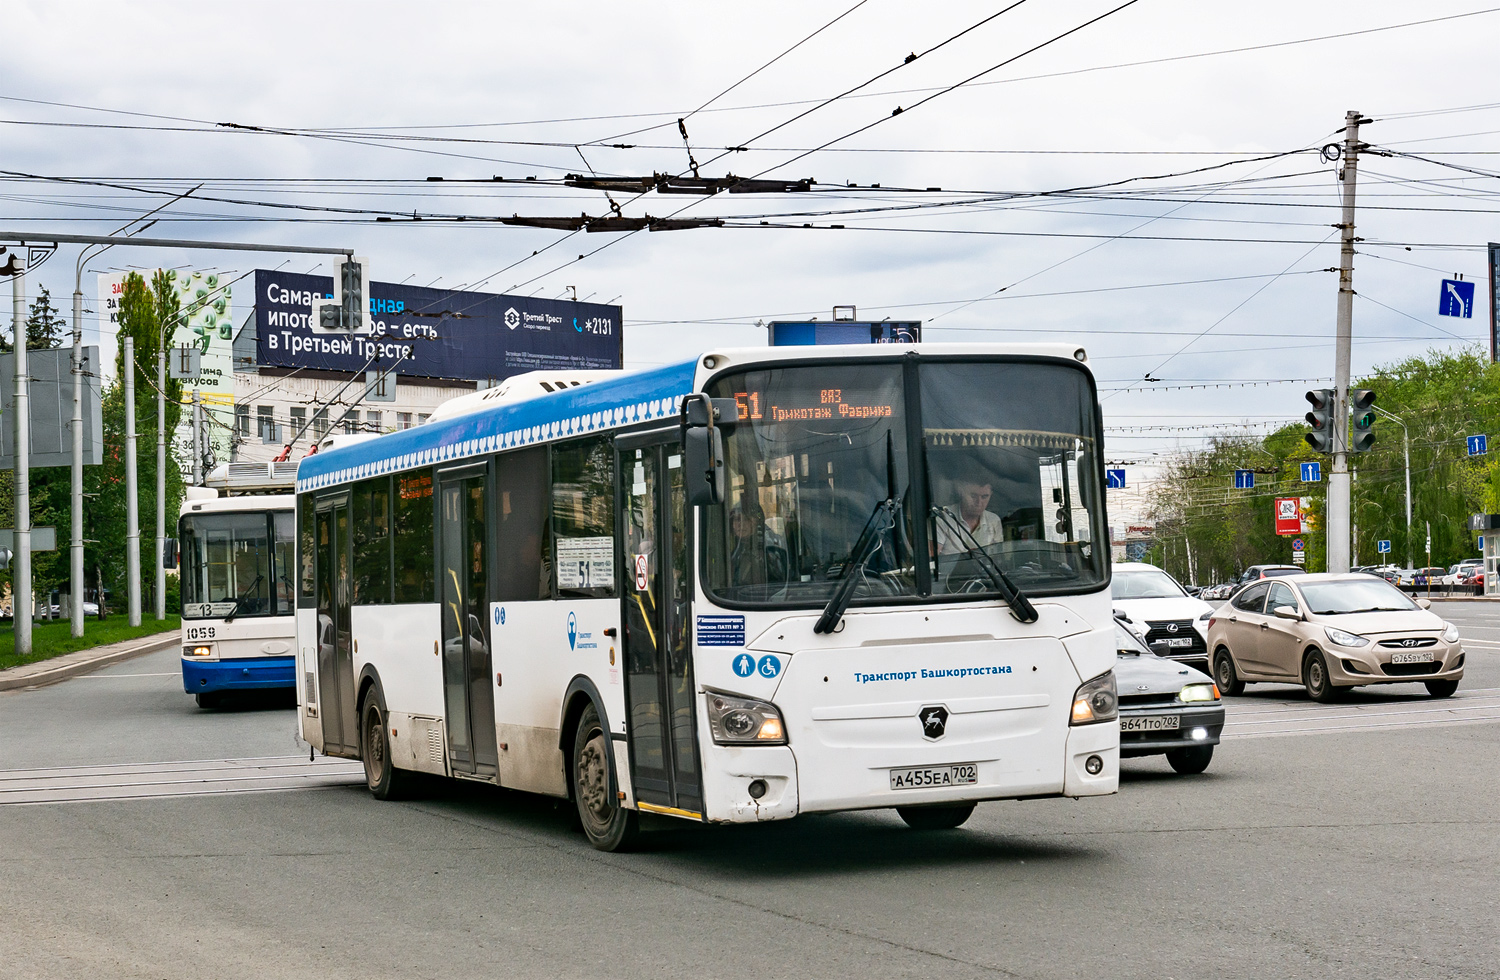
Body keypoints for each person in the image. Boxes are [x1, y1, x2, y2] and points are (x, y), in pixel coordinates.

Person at [935, 477, 1003, 555]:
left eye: (984, 497)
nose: (979, 503)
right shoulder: (942, 518)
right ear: (961, 492)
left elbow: (997, 557)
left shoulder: (993, 520)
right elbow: (931, 560)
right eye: (973, 496)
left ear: (991, 495)